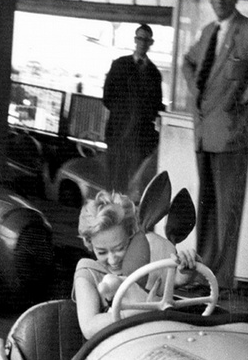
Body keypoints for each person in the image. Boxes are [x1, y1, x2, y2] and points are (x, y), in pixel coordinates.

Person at [181, 0, 248, 289]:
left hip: (231, 135)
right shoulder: (207, 32)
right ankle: (202, 273)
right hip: (204, 133)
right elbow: (188, 62)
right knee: (206, 207)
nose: (217, 2)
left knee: (227, 211)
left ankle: (223, 280)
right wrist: (194, 88)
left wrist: (246, 98)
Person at [73, 191, 198, 339]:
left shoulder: (146, 260)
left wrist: (187, 268)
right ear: (89, 243)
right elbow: (89, 327)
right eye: (102, 252)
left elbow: (175, 281)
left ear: (131, 235)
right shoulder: (87, 272)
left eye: (119, 248)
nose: (113, 260)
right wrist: (144, 309)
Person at [102, 24, 164, 193]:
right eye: (139, 38)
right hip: (118, 134)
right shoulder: (119, 65)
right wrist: (126, 113)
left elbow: (156, 105)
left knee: (132, 186)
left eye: (146, 39)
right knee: (113, 183)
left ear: (151, 43)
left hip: (140, 139)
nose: (142, 43)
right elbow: (107, 97)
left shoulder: (154, 73)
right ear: (135, 40)